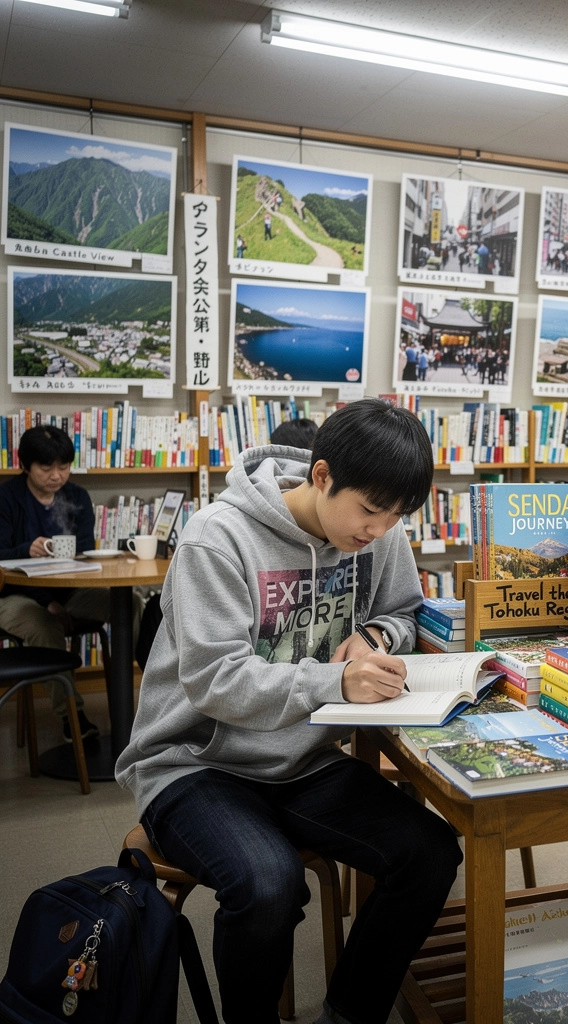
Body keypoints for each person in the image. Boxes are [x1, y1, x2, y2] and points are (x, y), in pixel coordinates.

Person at [115, 400, 462, 1024]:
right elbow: (216, 681)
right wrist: (335, 680)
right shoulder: (217, 538)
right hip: (195, 763)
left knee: (431, 851)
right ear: (321, 476)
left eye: (397, 516)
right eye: (370, 511)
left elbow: (405, 611)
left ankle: (349, 1013)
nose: (380, 529)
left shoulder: (380, 532)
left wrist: (377, 636)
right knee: (269, 884)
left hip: (303, 759)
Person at [0, 426, 104, 742]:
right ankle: (72, 715)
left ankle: (156, 698)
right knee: (43, 626)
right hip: (14, 595)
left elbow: (84, 551)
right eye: (46, 467)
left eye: (64, 466)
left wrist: (58, 598)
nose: (56, 476)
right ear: (25, 465)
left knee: (132, 606)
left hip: (70, 591)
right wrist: (26, 551)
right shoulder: (6, 498)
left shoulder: (77, 497)